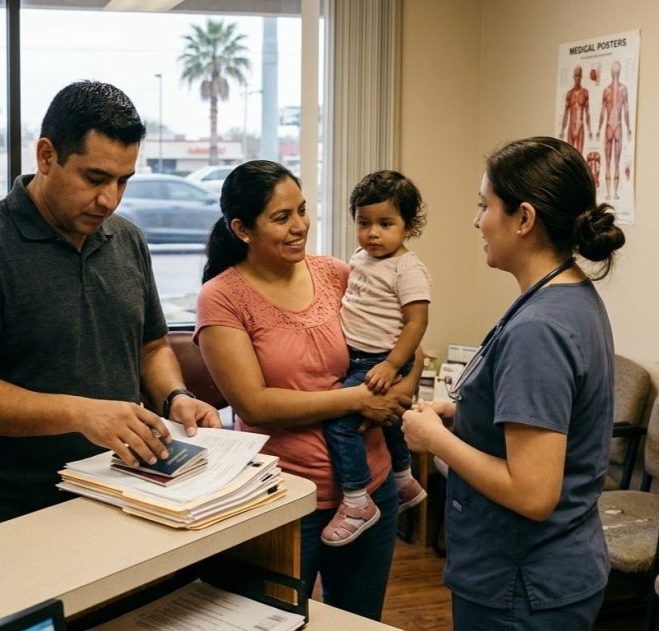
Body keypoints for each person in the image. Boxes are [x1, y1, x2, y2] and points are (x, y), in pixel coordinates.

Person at [0, 80, 221, 534]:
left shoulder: (126, 239)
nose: (110, 199)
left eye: (123, 181)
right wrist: (83, 413)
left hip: (125, 493)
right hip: (16, 514)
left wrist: (174, 396)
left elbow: (151, 347)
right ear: (47, 156)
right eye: (95, 178)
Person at [402, 136, 625, 629]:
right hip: (548, 573)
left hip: (523, 586)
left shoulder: (539, 329)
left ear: (524, 219)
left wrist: (436, 440)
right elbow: (550, 417)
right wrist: (463, 415)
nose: (477, 221)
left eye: (484, 206)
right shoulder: (569, 295)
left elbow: (532, 492)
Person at [195, 160, 420, 620]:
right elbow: (254, 404)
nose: (300, 226)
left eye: (302, 210)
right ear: (242, 228)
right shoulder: (222, 297)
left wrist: (404, 387)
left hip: (371, 492)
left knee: (359, 623)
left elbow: (398, 338)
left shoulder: (337, 273)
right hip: (284, 500)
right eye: (282, 218)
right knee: (279, 623)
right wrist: (360, 399)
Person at [319, 170, 431, 547]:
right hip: (357, 357)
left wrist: (391, 365)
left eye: (386, 224)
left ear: (409, 227)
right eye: (364, 223)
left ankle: (356, 500)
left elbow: (417, 322)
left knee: (339, 422)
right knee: (388, 421)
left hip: (378, 359)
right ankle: (403, 477)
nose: (373, 233)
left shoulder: (407, 268)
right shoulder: (360, 257)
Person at [595, 61, 632, 200]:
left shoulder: (615, 90)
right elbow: (603, 111)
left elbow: (625, 110)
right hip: (614, 126)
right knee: (610, 161)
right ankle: (612, 194)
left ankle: (612, 193)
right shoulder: (613, 90)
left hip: (614, 126)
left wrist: (628, 128)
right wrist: (598, 129)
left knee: (613, 161)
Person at [559, 65, 591, 155]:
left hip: (580, 127)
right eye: (576, 76)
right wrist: (562, 129)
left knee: (579, 156)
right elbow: (566, 113)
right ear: (573, 77)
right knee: (569, 155)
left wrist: (589, 129)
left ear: (581, 77)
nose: (577, 78)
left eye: (579, 76)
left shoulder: (585, 93)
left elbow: (587, 113)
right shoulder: (569, 94)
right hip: (571, 127)